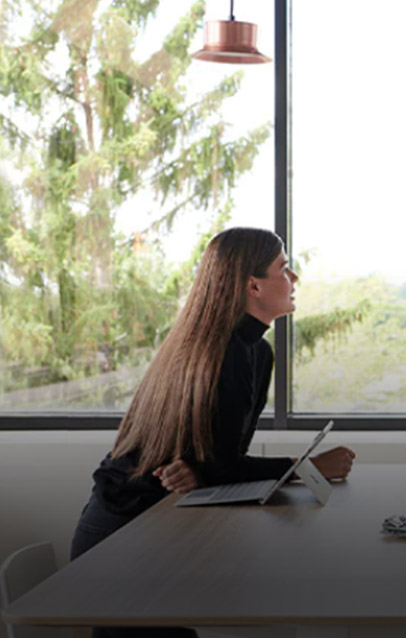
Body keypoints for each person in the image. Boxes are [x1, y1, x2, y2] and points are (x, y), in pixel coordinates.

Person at [71, 228, 356, 638]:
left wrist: (204, 471)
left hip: (156, 523)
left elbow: (219, 458)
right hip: (122, 530)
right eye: (284, 269)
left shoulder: (256, 351)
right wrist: (305, 467)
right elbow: (223, 463)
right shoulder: (220, 352)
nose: (294, 280)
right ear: (253, 285)